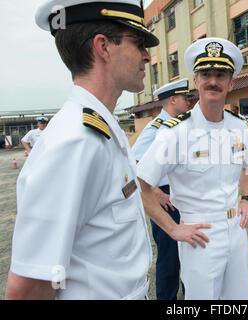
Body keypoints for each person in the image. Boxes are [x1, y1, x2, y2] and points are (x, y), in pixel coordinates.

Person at [5, 0, 207, 300]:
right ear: (103, 47)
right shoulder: (73, 144)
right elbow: (28, 288)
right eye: (139, 43)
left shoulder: (102, 130)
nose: (147, 56)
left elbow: (134, 192)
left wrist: (173, 229)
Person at [136, 37, 248, 300]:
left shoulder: (238, 126)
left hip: (235, 229)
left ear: (231, 82)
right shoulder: (176, 132)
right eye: (206, 74)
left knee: (238, 299)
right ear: (196, 81)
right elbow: (141, 186)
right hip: (199, 232)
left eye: (220, 75)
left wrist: (246, 199)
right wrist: (173, 229)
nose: (213, 81)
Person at [132, 78, 191, 300]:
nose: (189, 103)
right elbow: (135, 160)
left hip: (179, 195)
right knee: (168, 256)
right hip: (165, 198)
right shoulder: (156, 127)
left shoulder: (182, 124)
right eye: (185, 98)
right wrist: (155, 192)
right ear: (173, 99)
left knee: (185, 252)